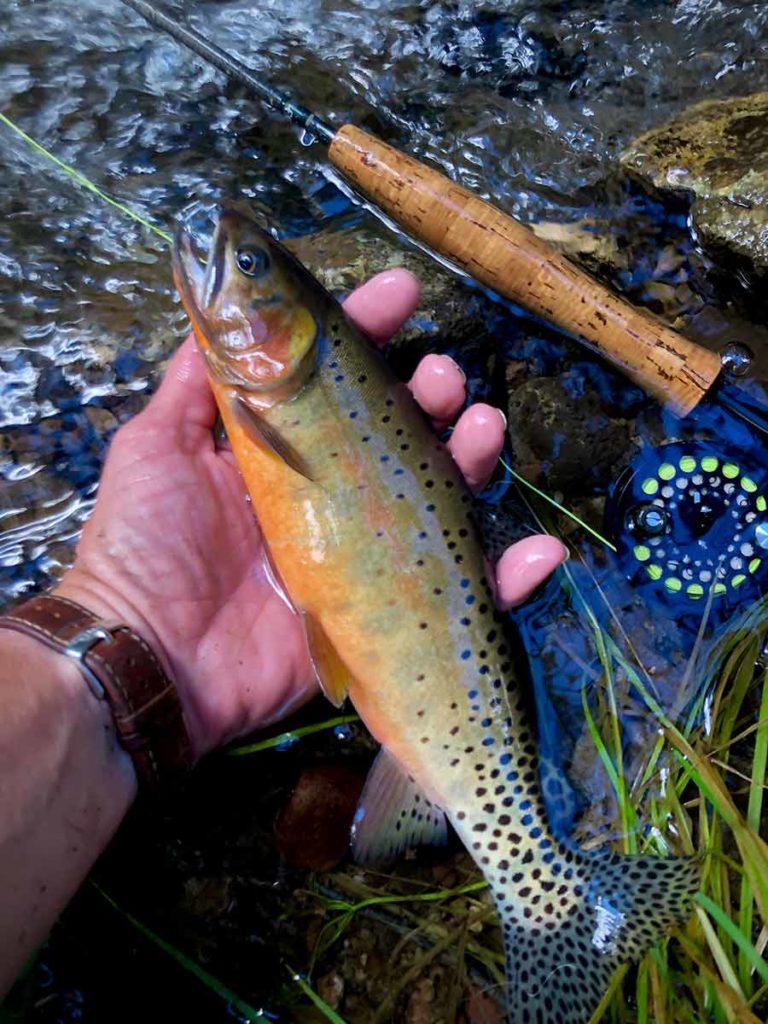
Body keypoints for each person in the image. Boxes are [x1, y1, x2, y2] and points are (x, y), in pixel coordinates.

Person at [0, 269, 567, 996]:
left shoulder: (277, 379)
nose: (221, 266)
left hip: (437, 674)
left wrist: (119, 630)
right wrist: (126, 617)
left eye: (254, 274)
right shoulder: (263, 382)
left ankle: (540, 893)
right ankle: (542, 895)